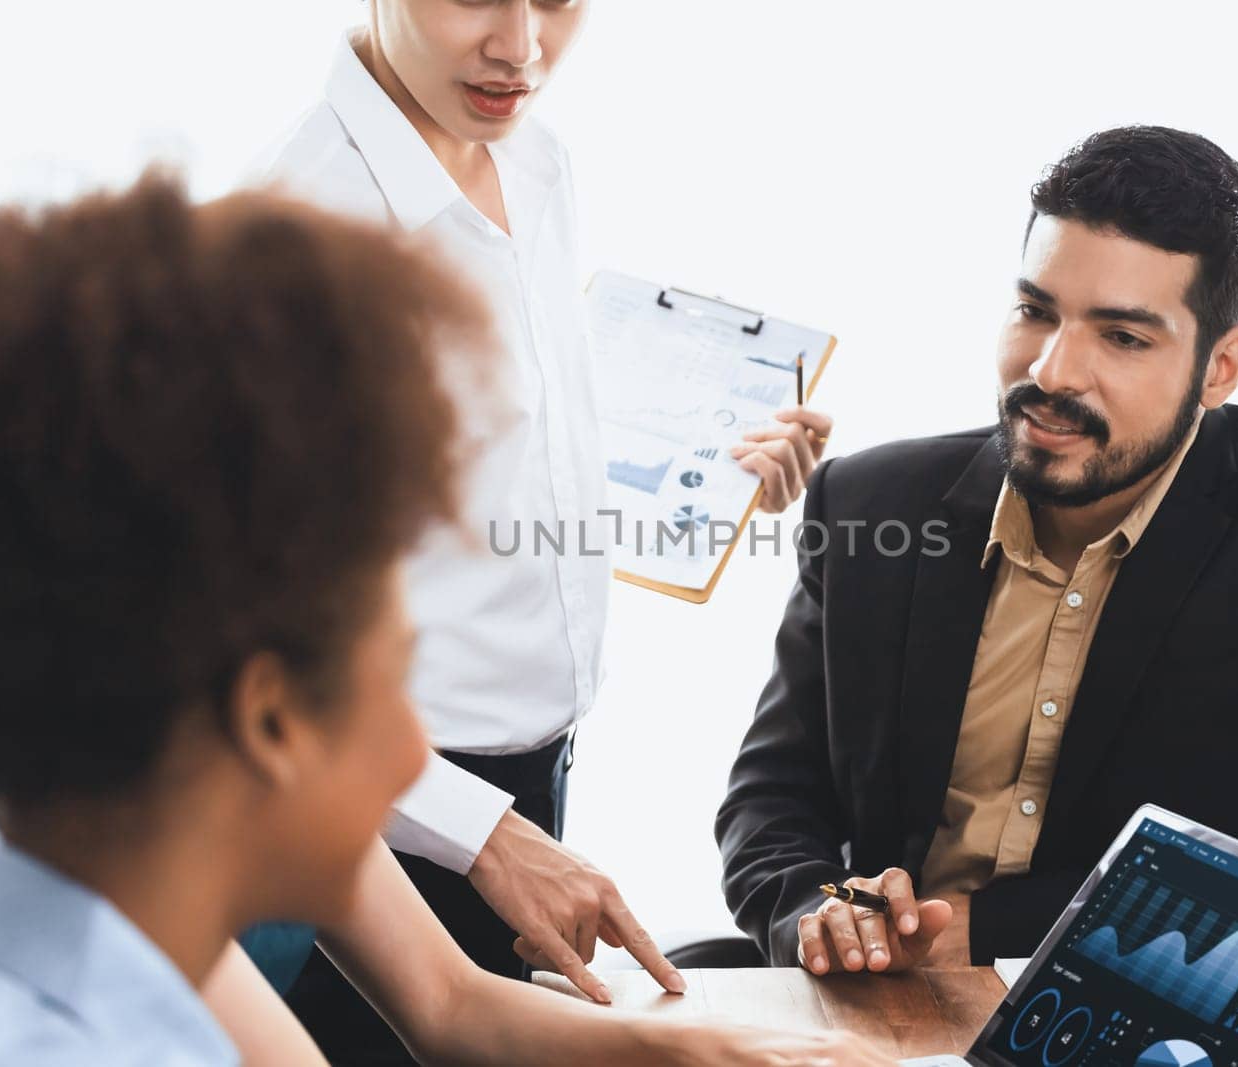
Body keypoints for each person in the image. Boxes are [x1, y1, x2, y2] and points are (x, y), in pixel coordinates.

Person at [0, 176, 897, 1067]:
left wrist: (718, 1051)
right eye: (401, 675)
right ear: (270, 720)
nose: (414, 758)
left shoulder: (129, 909)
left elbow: (451, 1005)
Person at [715, 125, 1238, 979]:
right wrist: (820, 912)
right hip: (878, 1003)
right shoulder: (869, 502)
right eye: (1036, 311)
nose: (1056, 370)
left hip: (1138, 1010)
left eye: (1123, 337)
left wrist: (987, 927)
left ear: (1220, 368)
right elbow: (773, 798)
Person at [257, 2, 832, 1059]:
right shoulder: (293, 246)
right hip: (370, 815)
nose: (521, 47)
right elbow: (229, 653)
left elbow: (500, 439)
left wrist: (705, 468)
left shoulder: (529, 152)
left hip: (524, 783)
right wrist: (479, 831)